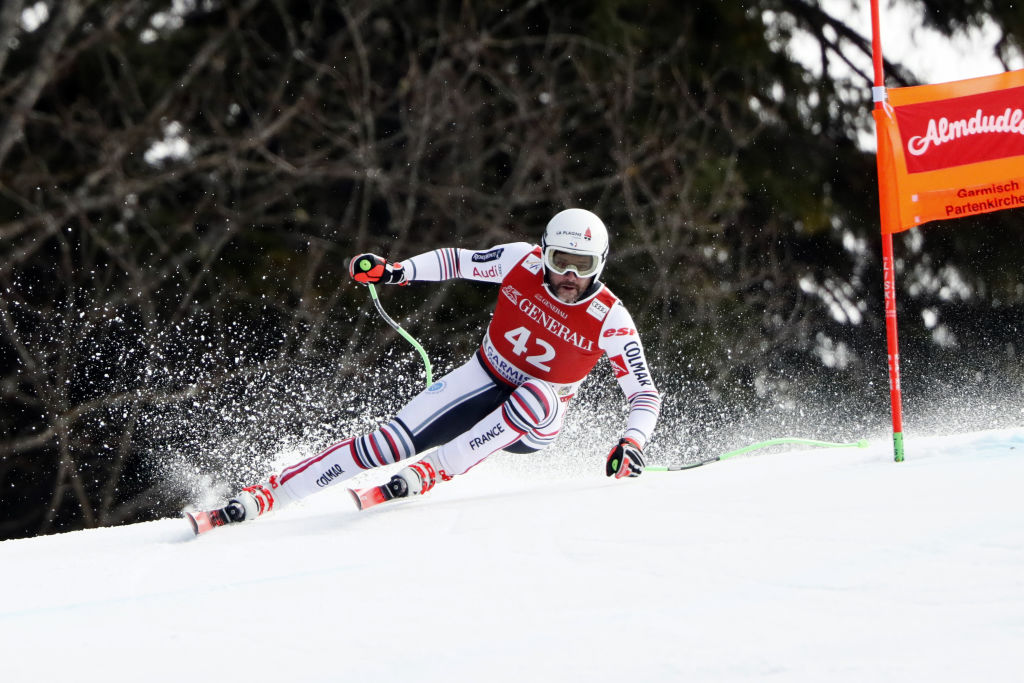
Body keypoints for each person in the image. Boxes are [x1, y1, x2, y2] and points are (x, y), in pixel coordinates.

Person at [217, 208, 661, 524]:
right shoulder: (519, 262)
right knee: (386, 443)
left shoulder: (610, 317)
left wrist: (633, 442)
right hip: (484, 377)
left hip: (535, 421)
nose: (568, 275)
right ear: (543, 253)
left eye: (581, 266)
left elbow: (643, 392)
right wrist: (396, 273)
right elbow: (457, 261)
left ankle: (435, 470)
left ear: (599, 265)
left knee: (540, 394)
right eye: (559, 261)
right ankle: (270, 493)